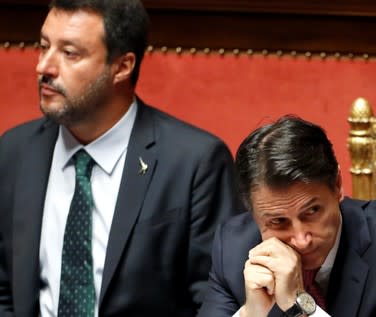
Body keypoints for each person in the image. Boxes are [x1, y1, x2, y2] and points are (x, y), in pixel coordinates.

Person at [0, 0, 242, 316]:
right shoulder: (14, 151)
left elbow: (217, 300)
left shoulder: (195, 162)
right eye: (44, 46)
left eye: (70, 53)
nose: (44, 66)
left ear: (122, 66)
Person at [198, 115, 376, 317]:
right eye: (278, 222)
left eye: (312, 212)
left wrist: (299, 305)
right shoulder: (232, 247)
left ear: (337, 185)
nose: (301, 239)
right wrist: (251, 315)